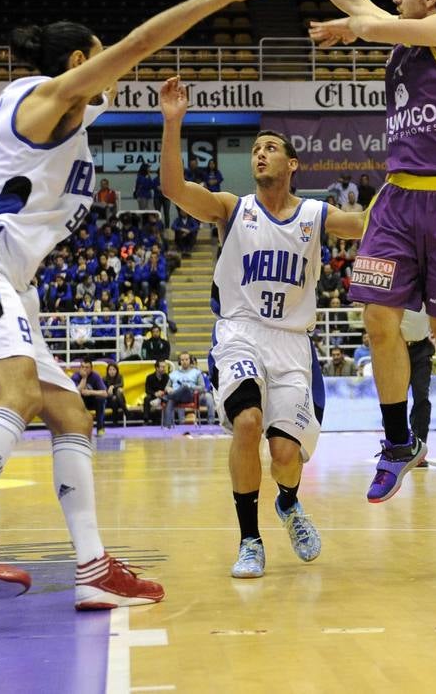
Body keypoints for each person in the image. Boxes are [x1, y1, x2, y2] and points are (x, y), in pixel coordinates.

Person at [0, 0, 269, 608]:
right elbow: (138, 44)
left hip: (2, 278)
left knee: (71, 414)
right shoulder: (45, 99)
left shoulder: (74, 114)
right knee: (17, 394)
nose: (114, 67)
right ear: (81, 60)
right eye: (98, 56)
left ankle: (93, 570)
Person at [266, 0, 436, 502]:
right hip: (396, 198)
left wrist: (355, 25)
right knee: (377, 318)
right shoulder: (401, 38)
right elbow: (364, 8)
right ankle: (398, 441)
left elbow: (368, 18)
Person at [159, 78, 364, 578]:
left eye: (270, 148)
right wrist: (172, 123)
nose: (260, 154)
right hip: (240, 332)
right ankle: (250, 540)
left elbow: (364, 225)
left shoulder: (315, 215)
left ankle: (289, 503)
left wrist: (411, 179)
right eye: (255, 149)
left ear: (292, 165)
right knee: (247, 422)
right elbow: (174, 189)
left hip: (292, 343)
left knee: (285, 454)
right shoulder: (234, 208)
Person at [401, 308, 435, 467]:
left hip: (421, 349)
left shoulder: (428, 287)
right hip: (396, 348)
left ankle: (419, 449)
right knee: (395, 400)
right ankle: (397, 446)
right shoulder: (396, 287)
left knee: (422, 398)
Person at [163, 350, 205, 428]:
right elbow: (166, 387)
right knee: (171, 400)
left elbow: (202, 387)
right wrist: (168, 389)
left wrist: (190, 387)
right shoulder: (173, 374)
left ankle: (166, 397)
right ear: (179, 361)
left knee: (184, 387)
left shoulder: (196, 372)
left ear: (190, 360)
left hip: (190, 396)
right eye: (182, 360)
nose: (184, 362)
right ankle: (167, 426)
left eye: (186, 359)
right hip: (176, 397)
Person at [71, 358, 109, 435]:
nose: (84, 369)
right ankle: (77, 429)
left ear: (91, 369)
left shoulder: (96, 376)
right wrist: (84, 378)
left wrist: (90, 392)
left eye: (87, 367)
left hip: (92, 401)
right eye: (82, 367)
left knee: (101, 400)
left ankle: (100, 428)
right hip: (80, 402)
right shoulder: (75, 377)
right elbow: (75, 393)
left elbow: (105, 393)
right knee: (73, 400)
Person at [143, 359, 170, 424]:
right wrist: (155, 393)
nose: (164, 369)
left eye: (165, 367)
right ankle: (146, 419)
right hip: (153, 396)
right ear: (157, 368)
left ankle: (166, 420)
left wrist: (163, 392)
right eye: (162, 367)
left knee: (168, 398)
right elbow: (147, 390)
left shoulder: (167, 377)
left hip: (163, 396)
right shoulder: (149, 377)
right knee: (147, 398)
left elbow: (169, 388)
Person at [102, 361, 127, 426]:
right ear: (107, 371)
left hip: (120, 401)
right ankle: (126, 411)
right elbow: (103, 390)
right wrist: (108, 391)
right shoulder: (104, 379)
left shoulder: (120, 377)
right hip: (109, 401)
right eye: (110, 369)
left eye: (114, 369)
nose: (112, 371)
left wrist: (112, 386)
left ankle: (115, 421)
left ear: (116, 370)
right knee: (114, 399)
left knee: (118, 393)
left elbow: (121, 384)